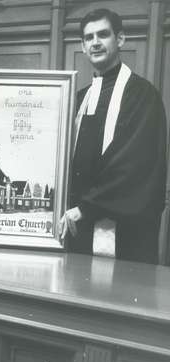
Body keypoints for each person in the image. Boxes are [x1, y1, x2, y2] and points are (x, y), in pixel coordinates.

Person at [60, 8, 167, 264]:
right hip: (78, 226)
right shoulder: (79, 97)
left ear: (119, 40)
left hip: (121, 233)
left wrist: (86, 208)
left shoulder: (142, 96)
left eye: (103, 35)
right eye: (89, 38)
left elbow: (134, 166)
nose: (95, 42)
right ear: (83, 47)